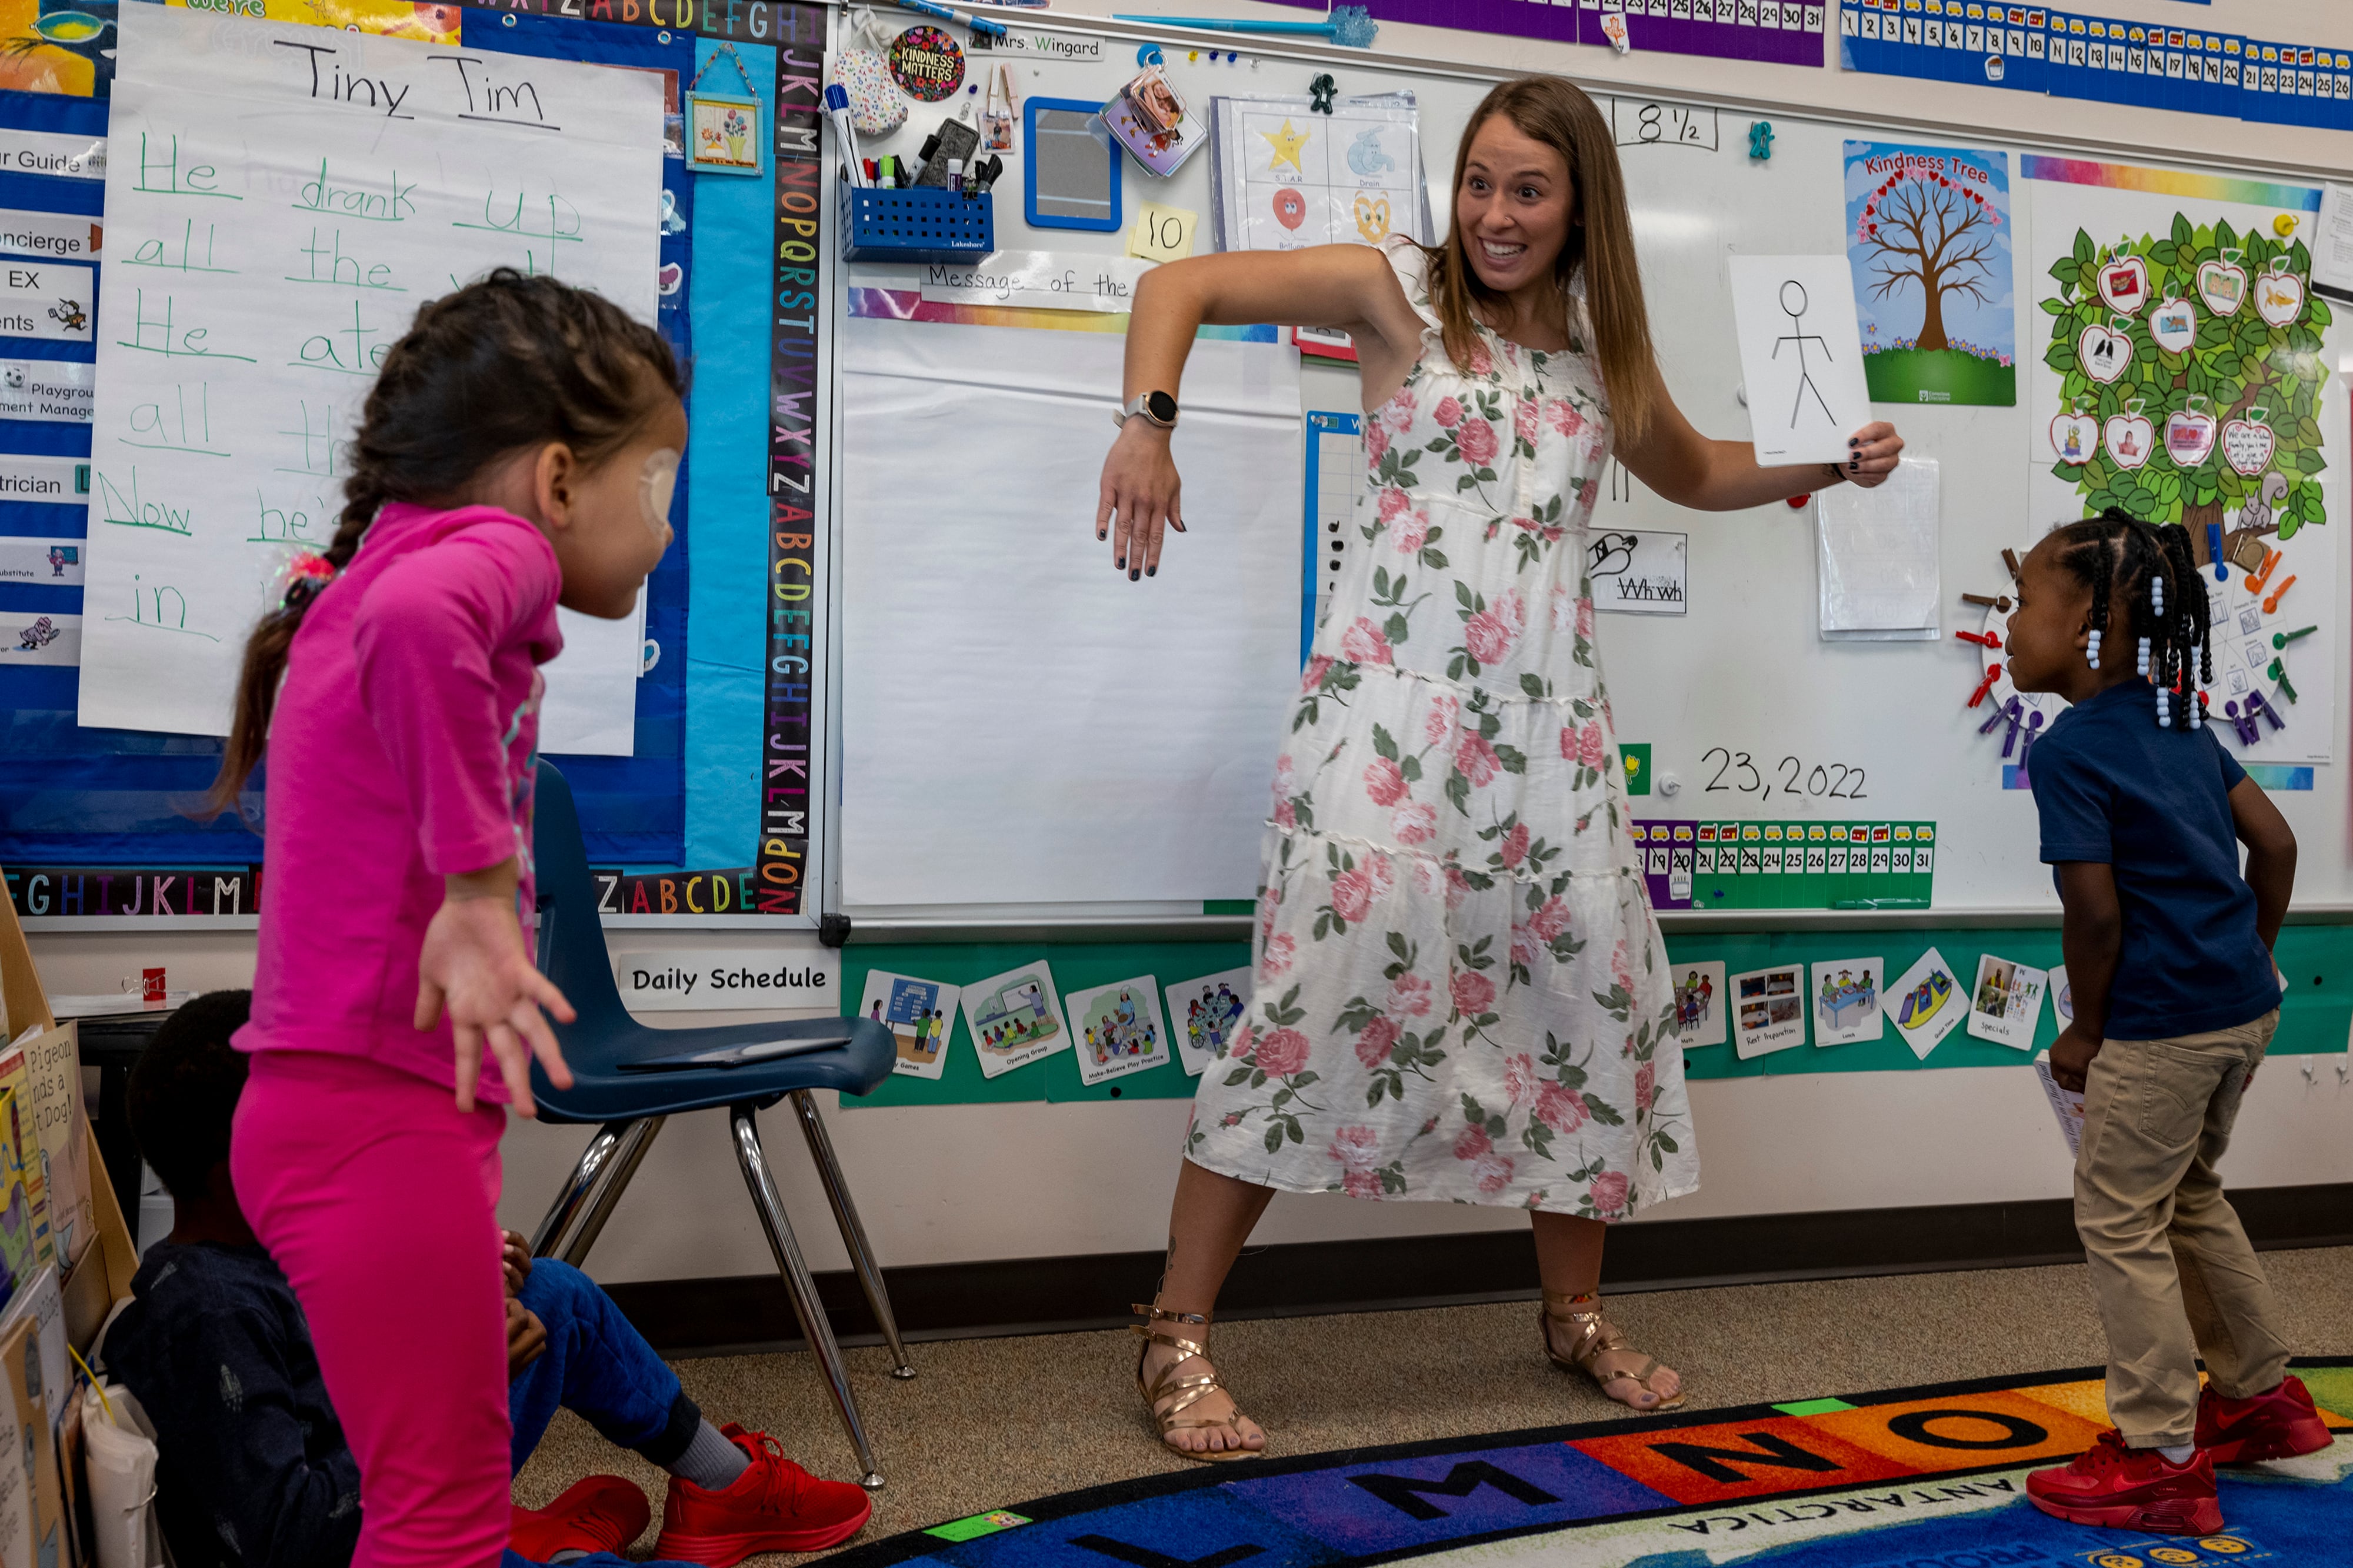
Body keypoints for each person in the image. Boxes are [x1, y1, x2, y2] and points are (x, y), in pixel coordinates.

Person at [1093, 76, 1905, 1459]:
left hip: (1548, 741)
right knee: (1312, 997)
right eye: (1477, 182)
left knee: (1576, 1009)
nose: (1493, 214)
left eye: (1527, 188)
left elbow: (1700, 469)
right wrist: (1147, 421)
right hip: (1385, 728)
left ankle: (1571, 1314)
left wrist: (1828, 461)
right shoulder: (1387, 295)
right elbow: (1175, 283)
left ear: (1579, 204)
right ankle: (1173, 1334)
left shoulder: (1601, 368)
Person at [205, 270, 729, 1563]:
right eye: (656, 487)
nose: (665, 532)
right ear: (558, 480)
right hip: (372, 1121)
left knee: (431, 1504)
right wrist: (482, 888)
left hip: (339, 1116)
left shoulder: (392, 554)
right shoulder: (476, 557)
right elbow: (420, 620)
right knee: (439, 1520)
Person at [104, 992, 872, 1567]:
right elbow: (296, 1541)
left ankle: (725, 1489)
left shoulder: (271, 1242)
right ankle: (532, 1542)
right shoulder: (208, 1319)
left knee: (556, 1296)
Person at [2005, 511, 2329, 1534]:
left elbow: (2095, 914)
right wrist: (2258, 957)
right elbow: (2274, 847)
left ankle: (2160, 1454)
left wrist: (2084, 1035)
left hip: (2157, 1026)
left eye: (2023, 604)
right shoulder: (2186, 723)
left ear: (2093, 624)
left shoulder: (2070, 753)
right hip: (2242, 1009)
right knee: (2189, 1192)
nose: (2007, 625)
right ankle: (2262, 1398)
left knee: (2118, 1214)